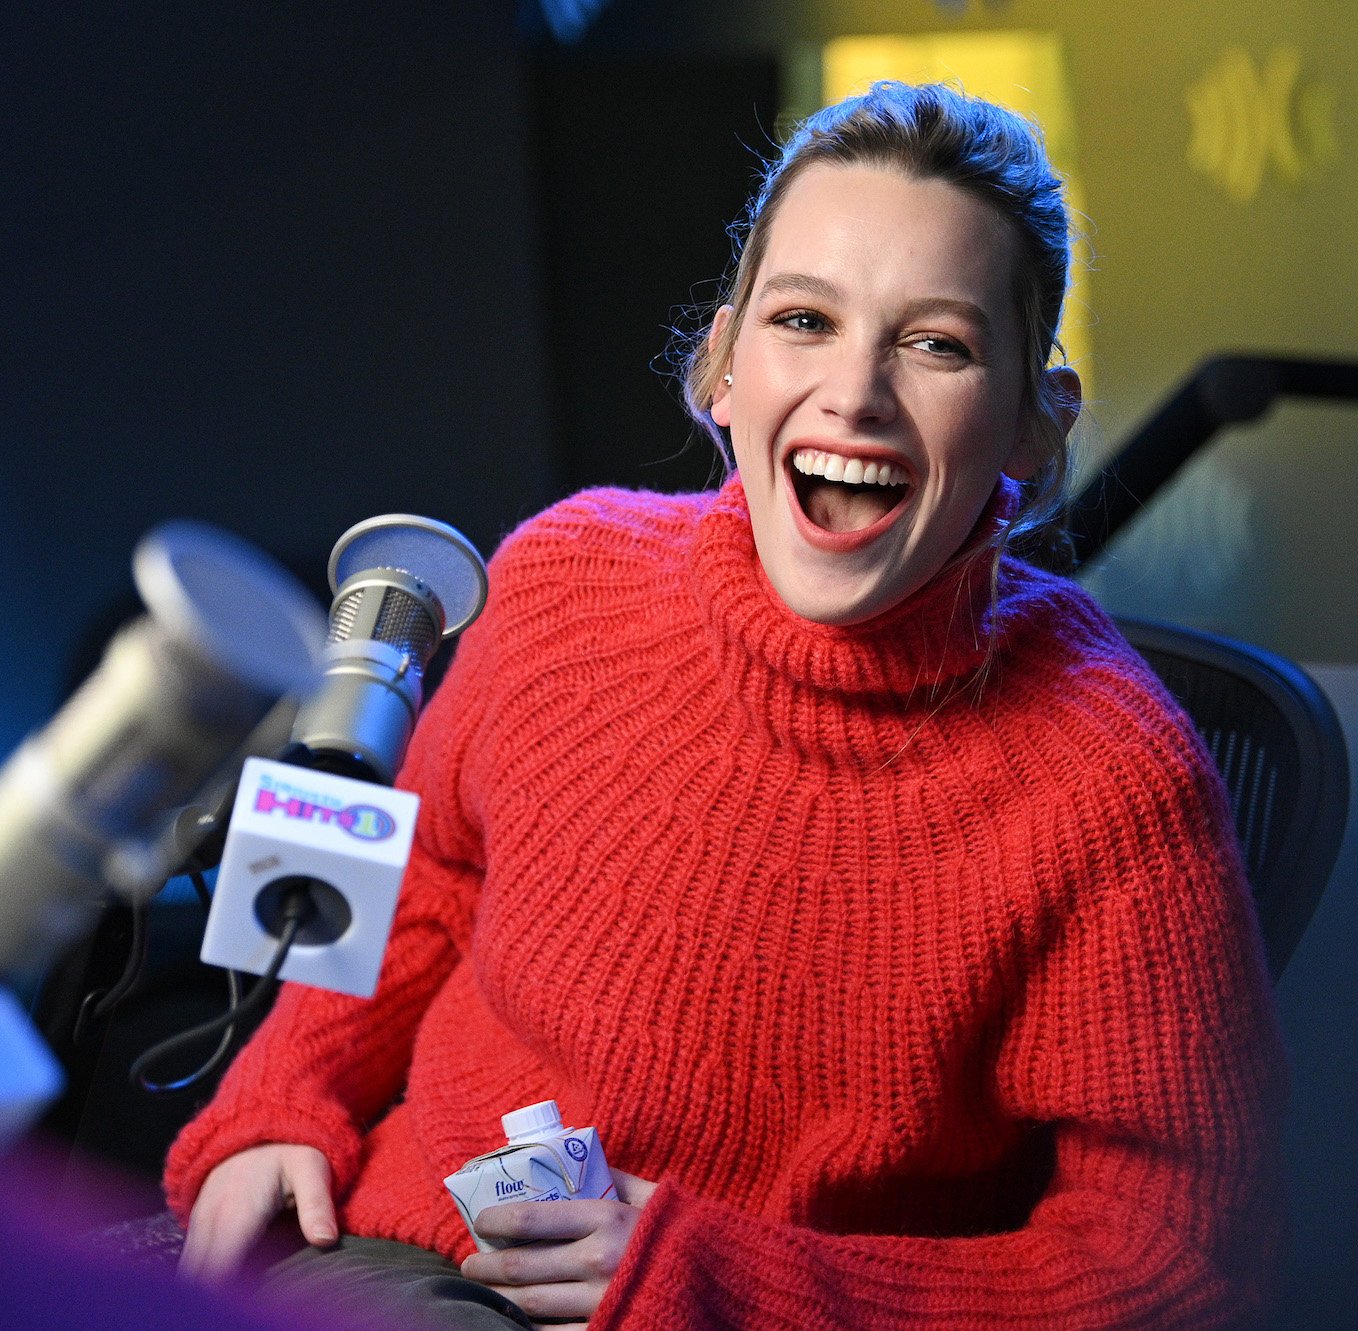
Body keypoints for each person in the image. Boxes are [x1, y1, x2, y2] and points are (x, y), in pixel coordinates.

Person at [165, 81, 1284, 1330]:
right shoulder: (557, 578)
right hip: (398, 1249)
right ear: (724, 364)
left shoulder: (1111, 778)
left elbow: (1179, 1263)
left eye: (936, 344)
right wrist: (278, 1092)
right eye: (803, 318)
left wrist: (724, 1280)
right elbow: (415, 876)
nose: (854, 392)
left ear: (1034, 421)